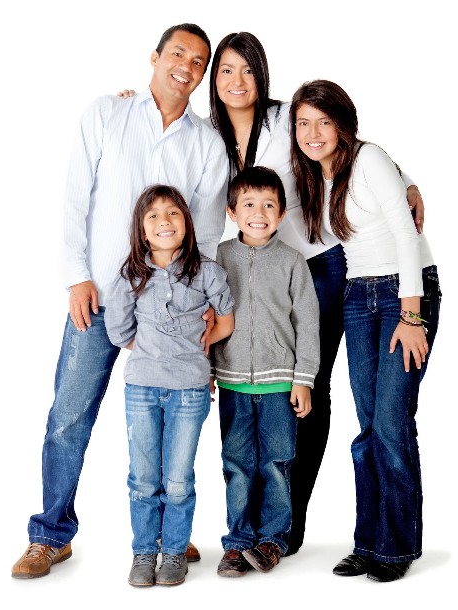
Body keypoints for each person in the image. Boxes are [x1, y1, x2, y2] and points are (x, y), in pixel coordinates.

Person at [117, 30, 426, 556]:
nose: (237, 81)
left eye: (247, 69)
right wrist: (133, 104)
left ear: (261, 75)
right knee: (248, 392)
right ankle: (252, 526)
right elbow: (166, 164)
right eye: (225, 70)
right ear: (213, 80)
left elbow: (345, 144)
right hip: (241, 269)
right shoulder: (205, 133)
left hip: (318, 265)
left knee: (307, 387)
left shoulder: (286, 119)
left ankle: (286, 525)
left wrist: (406, 180)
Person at [11, 23, 229, 579]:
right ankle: (49, 535)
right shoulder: (108, 113)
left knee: (173, 421)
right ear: (154, 57)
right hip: (100, 299)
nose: (186, 66)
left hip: (171, 315)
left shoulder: (206, 143)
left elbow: (205, 230)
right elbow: (75, 195)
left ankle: (170, 534)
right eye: (177, 53)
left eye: (198, 61)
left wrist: (203, 303)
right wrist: (76, 276)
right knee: (69, 416)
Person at [289, 79, 441, 582]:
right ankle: (368, 542)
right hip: (357, 297)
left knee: (392, 423)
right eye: (303, 123)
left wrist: (412, 317)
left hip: (405, 293)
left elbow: (405, 234)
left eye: (323, 122)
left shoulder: (369, 158)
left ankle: (396, 548)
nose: (313, 132)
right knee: (369, 426)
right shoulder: (317, 175)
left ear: (343, 124)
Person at [104, 184, 234, 586]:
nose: (165, 221)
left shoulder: (206, 271)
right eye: (154, 215)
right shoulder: (131, 275)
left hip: (190, 390)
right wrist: (152, 349)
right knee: (143, 479)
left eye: (173, 212)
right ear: (142, 231)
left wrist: (191, 349)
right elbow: (118, 330)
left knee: (178, 480)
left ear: (187, 223)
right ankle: (144, 552)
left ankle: (174, 552)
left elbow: (225, 321)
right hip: (142, 388)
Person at [211, 166, 320, 576]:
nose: (259, 213)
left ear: (282, 212)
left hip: (279, 384)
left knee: (276, 463)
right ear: (232, 212)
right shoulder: (220, 257)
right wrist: (208, 368)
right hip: (233, 381)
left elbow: (307, 323)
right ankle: (238, 542)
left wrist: (303, 379)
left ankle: (273, 540)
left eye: (269, 205)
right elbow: (208, 316)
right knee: (237, 464)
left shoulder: (292, 262)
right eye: (249, 205)